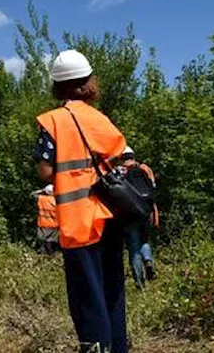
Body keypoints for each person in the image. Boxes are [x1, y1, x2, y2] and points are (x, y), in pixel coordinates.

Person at [35, 49, 131, 353]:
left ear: (57, 86)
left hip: (79, 223)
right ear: (88, 82)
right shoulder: (100, 119)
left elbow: (45, 170)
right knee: (112, 291)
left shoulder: (52, 122)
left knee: (87, 298)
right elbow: (125, 159)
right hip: (111, 216)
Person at [119, 148, 158, 289]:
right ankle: (148, 260)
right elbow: (153, 189)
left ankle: (140, 283)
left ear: (121, 158)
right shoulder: (144, 169)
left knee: (134, 249)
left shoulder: (121, 172)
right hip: (145, 212)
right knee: (144, 241)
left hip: (130, 216)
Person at [34, 184, 60, 255]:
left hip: (43, 224)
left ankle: (45, 255)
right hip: (54, 224)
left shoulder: (41, 199)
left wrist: (42, 191)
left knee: (44, 242)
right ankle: (52, 255)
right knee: (52, 241)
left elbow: (33, 194)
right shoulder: (57, 200)